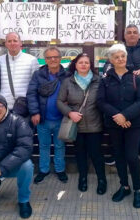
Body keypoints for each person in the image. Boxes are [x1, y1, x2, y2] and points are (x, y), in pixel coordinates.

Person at [97, 44, 140, 208]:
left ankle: (138, 190)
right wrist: (117, 117)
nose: (120, 59)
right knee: (119, 156)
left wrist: (125, 115)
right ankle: (124, 186)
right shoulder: (105, 80)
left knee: (132, 156)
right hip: (114, 124)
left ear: (126, 58)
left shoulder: (136, 78)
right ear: (111, 60)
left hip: (134, 123)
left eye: (122, 56)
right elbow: (101, 102)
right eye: (116, 57)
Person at [103, 24, 140, 168]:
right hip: (120, 89)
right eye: (129, 32)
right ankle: (117, 153)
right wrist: (106, 72)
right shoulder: (119, 48)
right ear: (124, 35)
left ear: (138, 35)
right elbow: (108, 63)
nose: (132, 35)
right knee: (117, 120)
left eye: (135, 32)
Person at [57, 53, 107, 195]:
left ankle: (102, 180)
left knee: (96, 154)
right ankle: (83, 178)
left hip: (95, 124)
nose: (84, 65)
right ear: (76, 65)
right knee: (80, 154)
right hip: (75, 125)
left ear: (90, 65)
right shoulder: (68, 81)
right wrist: (69, 113)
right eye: (81, 62)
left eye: (86, 62)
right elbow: (59, 101)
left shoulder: (99, 80)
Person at [26, 47, 70, 184]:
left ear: (60, 58)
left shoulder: (67, 75)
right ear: (45, 60)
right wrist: (34, 112)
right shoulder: (38, 75)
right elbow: (31, 94)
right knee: (43, 145)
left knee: (59, 145)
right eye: (49, 57)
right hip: (43, 118)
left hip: (61, 119)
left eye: (55, 57)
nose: (53, 60)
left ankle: (60, 170)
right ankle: (43, 170)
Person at [0, 32, 40, 112]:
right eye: (9, 41)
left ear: (20, 43)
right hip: (3, 107)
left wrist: (35, 109)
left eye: (15, 40)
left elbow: (36, 86)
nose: (12, 43)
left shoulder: (32, 60)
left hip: (24, 107)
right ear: (6, 44)